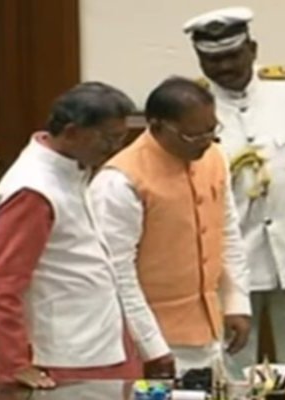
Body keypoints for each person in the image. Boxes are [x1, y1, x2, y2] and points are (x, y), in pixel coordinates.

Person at [0, 82, 174, 388]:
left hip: (101, 342)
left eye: (121, 138)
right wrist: (14, 365)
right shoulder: (33, 190)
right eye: (109, 138)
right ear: (71, 132)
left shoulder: (73, 169)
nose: (115, 148)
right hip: (67, 357)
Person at [183, 6, 285, 367]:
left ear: (252, 49)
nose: (225, 67)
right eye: (212, 60)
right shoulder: (190, 105)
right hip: (230, 262)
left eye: (233, 55)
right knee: (233, 363)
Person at [89, 77, 251, 374]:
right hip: (151, 337)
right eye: (192, 135)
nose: (205, 142)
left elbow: (228, 232)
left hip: (210, 328)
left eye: (211, 130)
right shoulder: (119, 181)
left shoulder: (215, 156)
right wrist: (152, 347)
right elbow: (117, 273)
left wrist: (236, 301)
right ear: (157, 126)